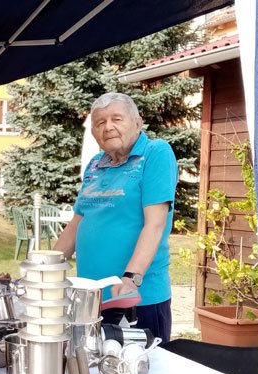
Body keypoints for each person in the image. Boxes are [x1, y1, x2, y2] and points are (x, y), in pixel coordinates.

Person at [54, 92, 178, 342]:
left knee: (139, 364)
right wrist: (44, 268)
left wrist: (131, 278)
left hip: (136, 299)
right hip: (91, 298)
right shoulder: (95, 164)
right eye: (100, 122)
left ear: (137, 123)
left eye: (116, 119)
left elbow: (155, 224)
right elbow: (77, 223)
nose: (108, 127)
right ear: (94, 132)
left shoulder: (155, 153)